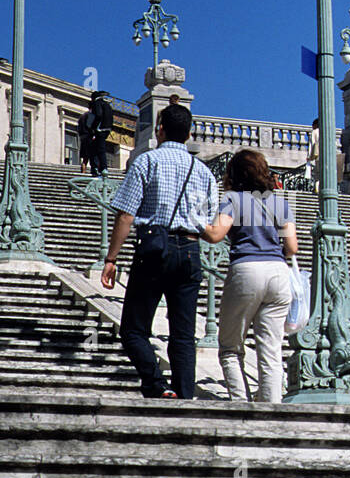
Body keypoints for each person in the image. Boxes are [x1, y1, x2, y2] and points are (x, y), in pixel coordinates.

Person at [102, 103, 217, 399]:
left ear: (160, 129)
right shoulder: (203, 172)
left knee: (133, 329)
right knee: (183, 334)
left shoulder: (146, 162)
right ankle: (185, 395)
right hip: (190, 250)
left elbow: (126, 214)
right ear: (189, 133)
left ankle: (156, 384)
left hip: (154, 248)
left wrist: (111, 258)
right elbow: (209, 221)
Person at [201, 150, 298, 403]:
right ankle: (271, 407)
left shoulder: (233, 199)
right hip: (278, 273)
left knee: (231, 348)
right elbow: (292, 248)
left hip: (246, 269)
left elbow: (215, 235)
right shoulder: (279, 202)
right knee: (271, 349)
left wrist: (193, 222)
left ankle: (241, 404)